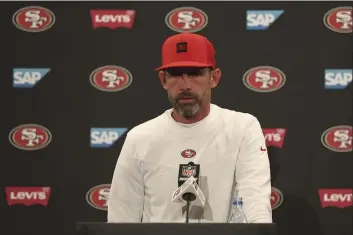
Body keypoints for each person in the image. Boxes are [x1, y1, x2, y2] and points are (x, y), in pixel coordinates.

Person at [107, 32, 272, 223]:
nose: (185, 85)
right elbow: (121, 218)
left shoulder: (242, 129)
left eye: (195, 73)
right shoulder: (140, 137)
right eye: (176, 74)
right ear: (163, 80)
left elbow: (256, 207)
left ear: (214, 78)